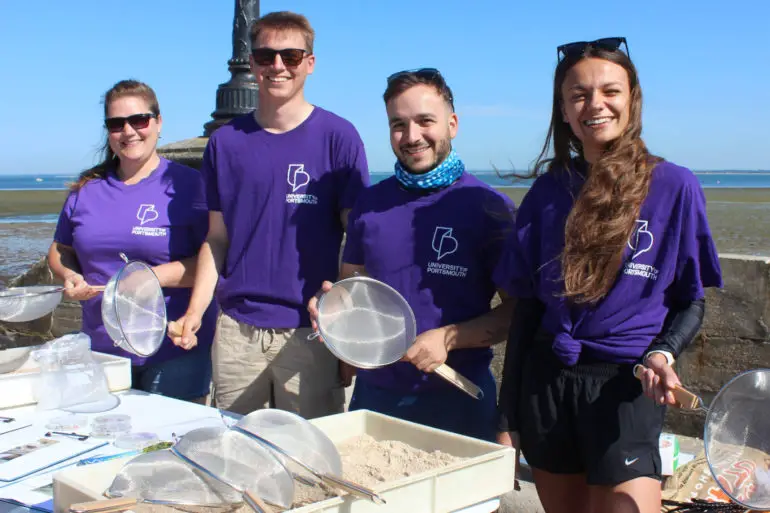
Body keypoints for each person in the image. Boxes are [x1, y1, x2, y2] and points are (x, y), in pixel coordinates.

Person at [495, 37, 723, 513]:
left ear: (632, 99)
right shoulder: (547, 193)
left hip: (626, 384)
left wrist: (664, 352)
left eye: (610, 91)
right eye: (578, 95)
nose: (594, 104)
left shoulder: (674, 185)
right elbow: (527, 311)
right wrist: (507, 416)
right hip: (548, 384)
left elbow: (690, 299)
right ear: (563, 111)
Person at [169, 11, 369, 418]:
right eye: (266, 56)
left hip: (311, 333)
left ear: (309, 64)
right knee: (238, 454)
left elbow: (360, 239)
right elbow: (217, 238)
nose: (278, 66)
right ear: (253, 64)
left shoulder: (339, 137)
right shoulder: (225, 144)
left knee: (314, 458)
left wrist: (349, 325)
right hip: (236, 332)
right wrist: (194, 311)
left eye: (291, 56)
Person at [307, 69, 515, 442]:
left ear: (452, 124)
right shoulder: (370, 204)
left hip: (460, 397)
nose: (412, 136)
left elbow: (516, 313)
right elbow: (351, 288)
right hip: (376, 395)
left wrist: (448, 338)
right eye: (398, 124)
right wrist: (330, 309)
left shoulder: (489, 207)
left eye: (425, 121)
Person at [48, 79, 215, 403]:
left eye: (139, 120)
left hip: (173, 349)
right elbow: (60, 250)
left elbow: (214, 260)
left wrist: (148, 278)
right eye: (116, 123)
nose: (129, 131)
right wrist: (69, 274)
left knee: (167, 447)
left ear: (158, 122)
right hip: (102, 351)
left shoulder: (190, 186)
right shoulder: (86, 190)